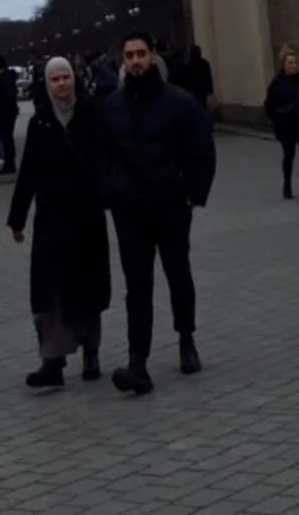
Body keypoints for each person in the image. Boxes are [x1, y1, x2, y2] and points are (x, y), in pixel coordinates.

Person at [94, 27, 216, 396]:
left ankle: (186, 338)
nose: (135, 61)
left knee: (178, 274)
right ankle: (138, 359)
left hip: (171, 205)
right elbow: (100, 155)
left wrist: (193, 195)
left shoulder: (180, 103)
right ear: (123, 60)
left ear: (152, 57)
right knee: (137, 287)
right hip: (129, 208)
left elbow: (201, 151)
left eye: (140, 54)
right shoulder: (110, 107)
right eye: (129, 55)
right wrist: (108, 193)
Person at [8, 56, 111, 387]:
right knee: (49, 292)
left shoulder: (93, 114)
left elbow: (109, 161)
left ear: (75, 79)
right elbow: (28, 174)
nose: (62, 84)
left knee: (86, 287)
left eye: (66, 77)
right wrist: (17, 217)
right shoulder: (40, 123)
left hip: (86, 216)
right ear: (48, 84)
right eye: (55, 79)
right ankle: (52, 360)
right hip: (51, 218)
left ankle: (91, 351)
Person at [263, 46, 299, 202]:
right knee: (289, 156)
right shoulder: (277, 84)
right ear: (283, 65)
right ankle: (287, 184)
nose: (293, 65)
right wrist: (275, 120)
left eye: (295, 62)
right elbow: (270, 105)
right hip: (286, 126)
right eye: (290, 62)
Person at [0, 54, 21, 175]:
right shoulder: (8, 77)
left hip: (5, 113)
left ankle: (9, 164)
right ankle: (10, 163)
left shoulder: (3, 78)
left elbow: (4, 96)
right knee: (8, 138)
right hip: (9, 112)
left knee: (6, 138)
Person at [182, 45, 215, 109]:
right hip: (203, 89)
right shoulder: (205, 63)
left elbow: (187, 79)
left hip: (193, 90)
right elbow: (208, 77)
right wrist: (210, 90)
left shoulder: (189, 64)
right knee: (203, 106)